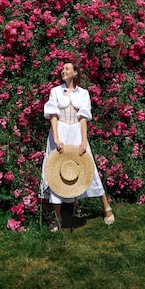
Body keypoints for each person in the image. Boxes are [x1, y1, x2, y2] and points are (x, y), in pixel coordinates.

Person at [39, 61, 115, 231]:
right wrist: (57, 139)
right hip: (59, 133)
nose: (63, 71)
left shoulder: (84, 93)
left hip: (76, 133)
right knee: (56, 171)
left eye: (67, 68)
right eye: (62, 69)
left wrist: (84, 140)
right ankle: (58, 217)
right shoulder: (55, 92)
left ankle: (106, 207)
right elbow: (53, 116)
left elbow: (82, 118)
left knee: (88, 168)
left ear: (75, 73)